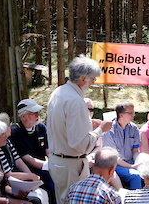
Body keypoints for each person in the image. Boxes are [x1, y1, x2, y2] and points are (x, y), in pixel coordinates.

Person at [46, 55, 113, 204]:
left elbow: (64, 127)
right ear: (83, 79)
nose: (93, 83)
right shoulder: (76, 101)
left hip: (59, 161)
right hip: (70, 166)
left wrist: (88, 123)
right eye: (93, 79)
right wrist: (101, 129)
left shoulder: (58, 92)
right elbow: (80, 144)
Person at [0, 113, 48, 204]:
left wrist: (31, 178)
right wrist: (31, 176)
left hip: (14, 180)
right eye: (8, 126)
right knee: (36, 199)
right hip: (6, 185)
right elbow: (8, 174)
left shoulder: (8, 142)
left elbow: (18, 160)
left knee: (43, 191)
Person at [9, 99, 55, 203]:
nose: (37, 115)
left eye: (38, 112)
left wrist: (53, 162)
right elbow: (26, 158)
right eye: (34, 113)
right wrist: (47, 166)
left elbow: (48, 151)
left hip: (44, 165)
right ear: (23, 116)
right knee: (51, 182)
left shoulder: (41, 127)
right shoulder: (15, 132)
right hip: (27, 169)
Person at [102, 101, 142, 190]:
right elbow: (113, 158)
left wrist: (137, 163)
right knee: (136, 176)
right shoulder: (109, 130)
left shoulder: (134, 128)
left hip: (131, 162)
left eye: (133, 112)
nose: (134, 115)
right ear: (121, 115)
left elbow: (135, 151)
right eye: (130, 113)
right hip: (115, 165)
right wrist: (131, 167)